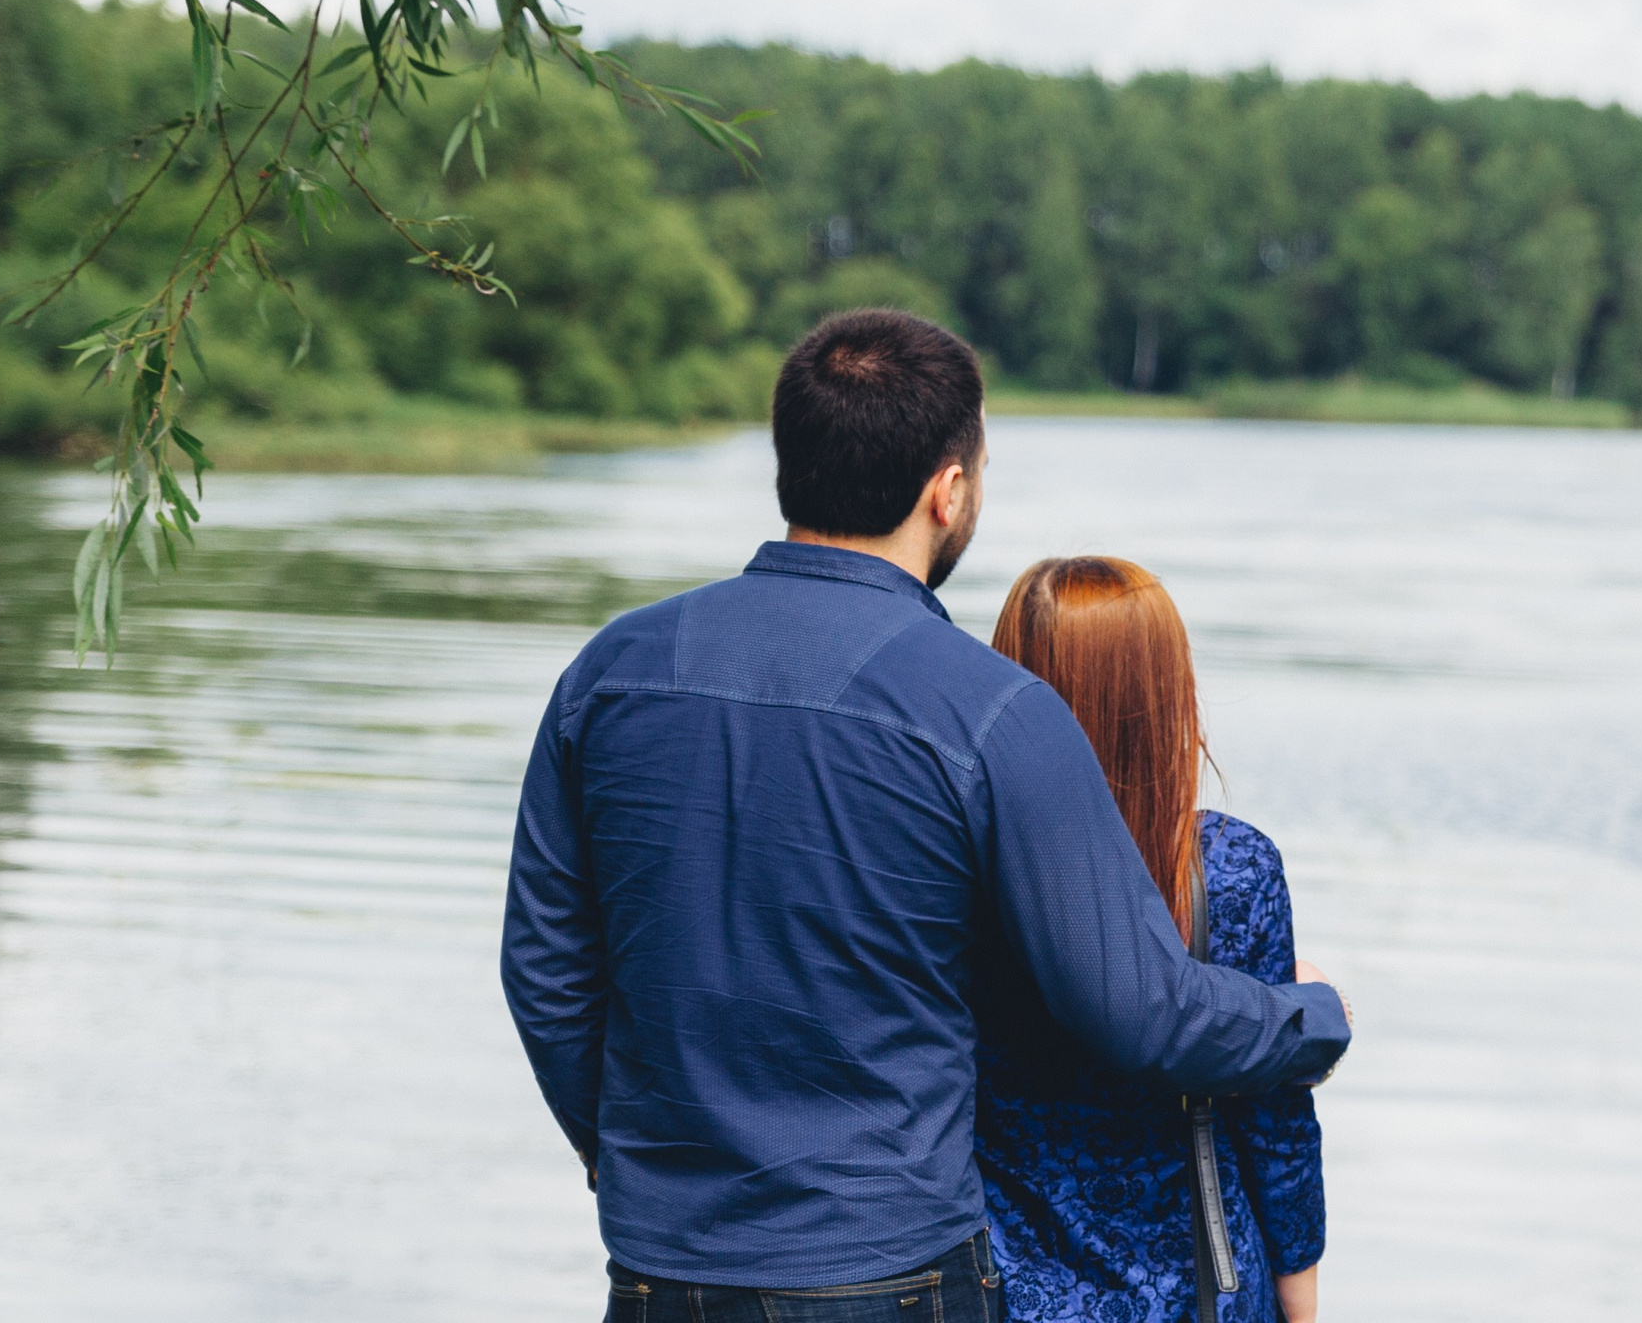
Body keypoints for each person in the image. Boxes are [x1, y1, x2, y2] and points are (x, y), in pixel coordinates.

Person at [501, 309, 1350, 1321]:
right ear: (947, 491)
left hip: (657, 1270)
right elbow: (1138, 1011)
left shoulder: (609, 673)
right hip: (889, 1274)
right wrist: (1311, 1018)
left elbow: (546, 970)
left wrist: (619, 1153)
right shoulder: (989, 711)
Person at [979, 557, 1325, 1323]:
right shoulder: (1228, 872)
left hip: (1005, 1289)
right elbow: (1274, 1124)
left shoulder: (963, 868)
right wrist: (1301, 1299)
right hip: (1194, 1290)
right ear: (1168, 693)